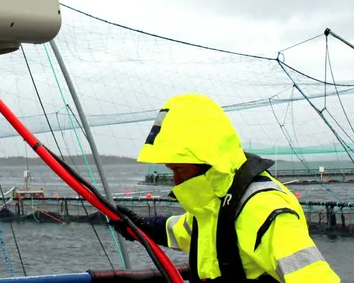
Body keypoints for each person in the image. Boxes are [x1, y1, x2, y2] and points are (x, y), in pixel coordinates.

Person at [110, 93, 340, 282]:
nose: (176, 182)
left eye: (179, 170)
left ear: (208, 160)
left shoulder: (263, 208)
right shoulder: (215, 204)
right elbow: (184, 231)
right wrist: (139, 226)